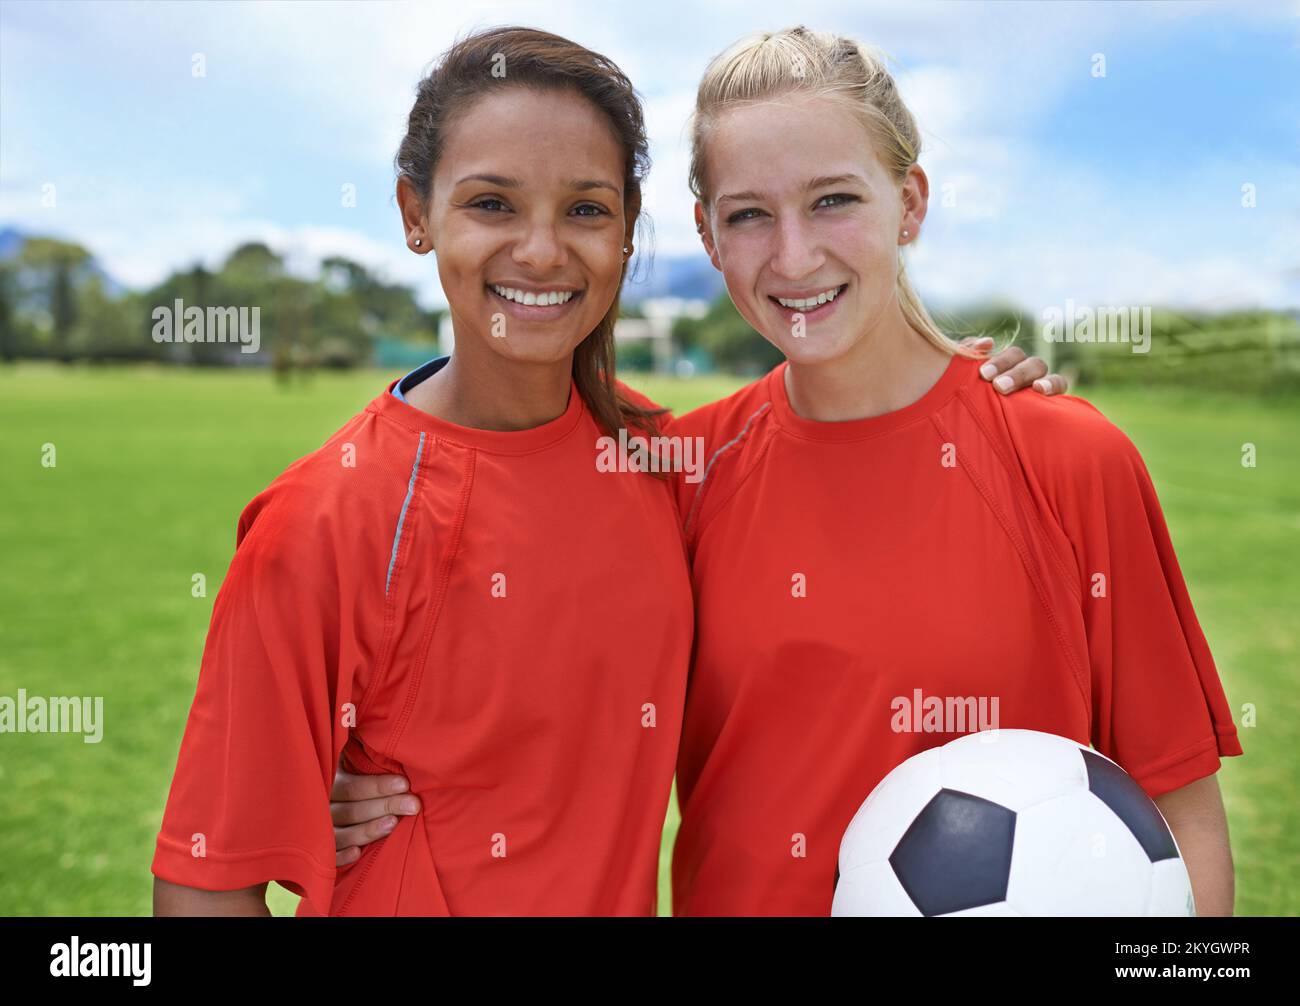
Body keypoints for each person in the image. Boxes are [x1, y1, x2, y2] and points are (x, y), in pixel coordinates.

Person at [320, 28, 1083, 915]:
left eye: (834, 199)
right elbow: (524, 673)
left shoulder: (1064, 456)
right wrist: (358, 776)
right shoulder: (673, 468)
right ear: (706, 236)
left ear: (909, 202)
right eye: (749, 214)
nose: (794, 257)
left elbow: (1173, 798)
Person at [151, 26, 695, 916]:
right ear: (416, 214)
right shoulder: (325, 517)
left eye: (587, 209)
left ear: (629, 227)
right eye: (492, 203)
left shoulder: (661, 458)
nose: (543, 251)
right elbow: (204, 885)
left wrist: (985, 383)